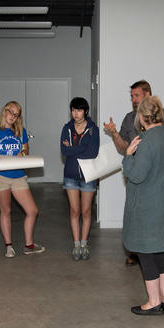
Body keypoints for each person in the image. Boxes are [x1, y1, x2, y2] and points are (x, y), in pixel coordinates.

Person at [103, 80, 164, 266]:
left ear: (148, 95)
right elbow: (123, 148)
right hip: (136, 174)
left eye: (136, 95)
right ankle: (138, 251)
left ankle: (154, 251)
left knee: (155, 219)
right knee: (137, 216)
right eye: (131, 96)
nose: (133, 100)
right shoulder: (129, 118)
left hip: (157, 178)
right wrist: (114, 133)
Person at [122, 96, 164, 316]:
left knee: (146, 250)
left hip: (149, 204)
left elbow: (137, 176)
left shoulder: (146, 140)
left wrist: (128, 156)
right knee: (160, 249)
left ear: (142, 116)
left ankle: (153, 301)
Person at [0, 101, 45, 257]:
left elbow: (26, 149)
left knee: (32, 210)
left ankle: (29, 246)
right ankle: (9, 247)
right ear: (4, 111)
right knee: (6, 210)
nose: (12, 116)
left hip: (18, 176)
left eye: (16, 114)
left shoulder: (20, 131)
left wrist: (22, 154)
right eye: (10, 112)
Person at [60, 97, 99, 261]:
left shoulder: (93, 129)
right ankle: (76, 245)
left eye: (79, 110)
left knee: (86, 211)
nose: (75, 113)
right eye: (73, 110)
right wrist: (80, 148)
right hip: (70, 176)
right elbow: (64, 150)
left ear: (86, 111)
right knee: (75, 211)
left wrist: (73, 148)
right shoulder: (66, 128)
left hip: (88, 176)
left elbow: (92, 152)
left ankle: (84, 243)